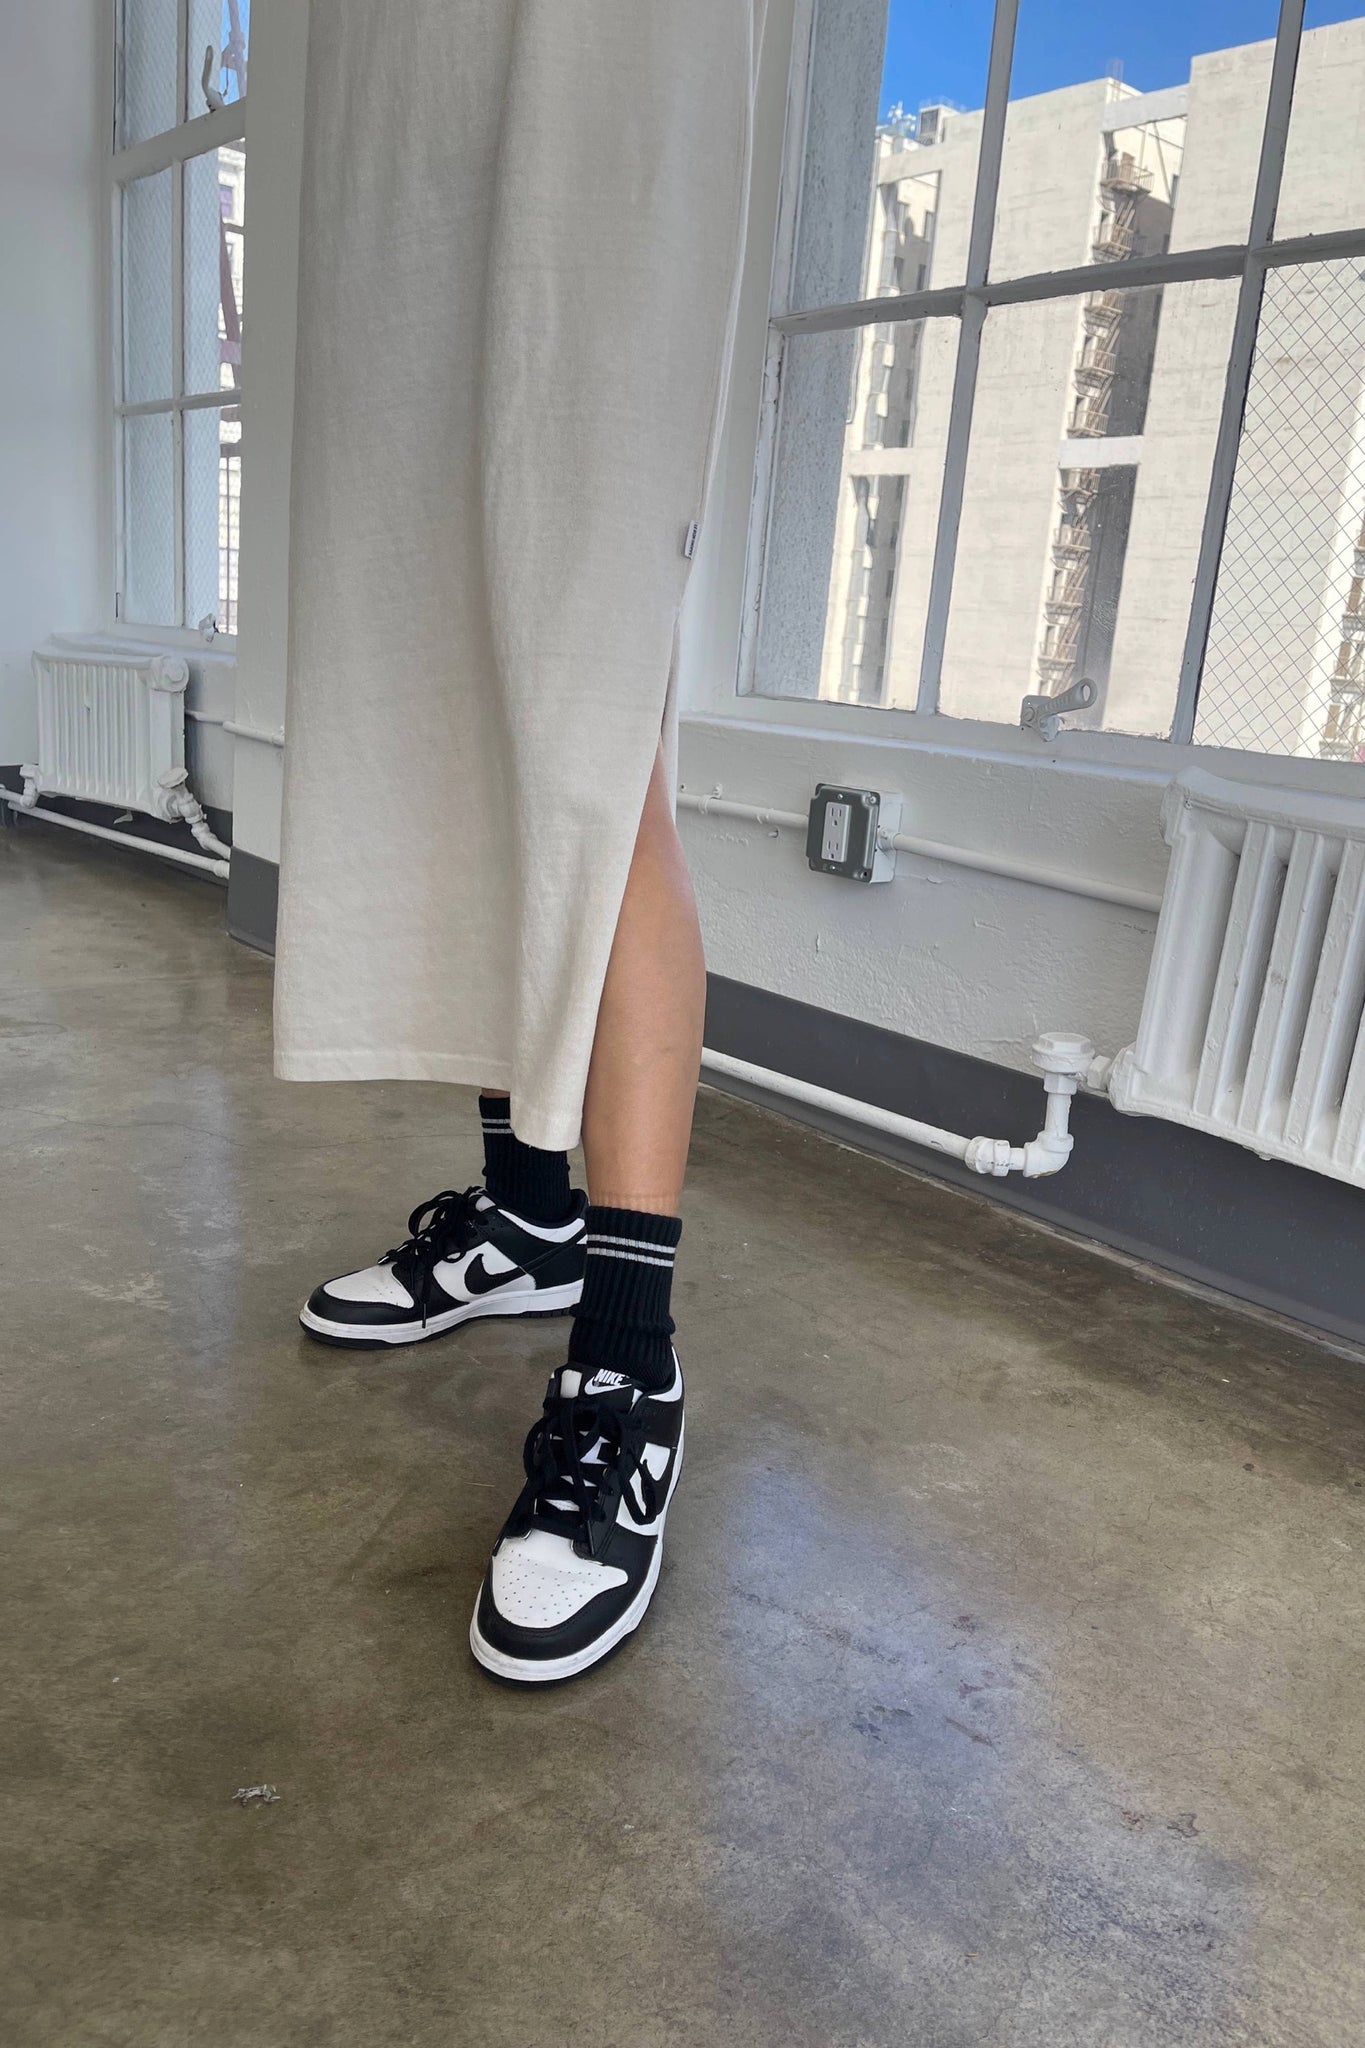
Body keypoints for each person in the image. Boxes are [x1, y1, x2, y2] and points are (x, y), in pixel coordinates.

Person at [273, 3, 764, 1683]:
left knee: (587, 740)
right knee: (452, 724)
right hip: (398, 81)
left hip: (598, 54)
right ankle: (531, 1215)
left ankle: (628, 1354)